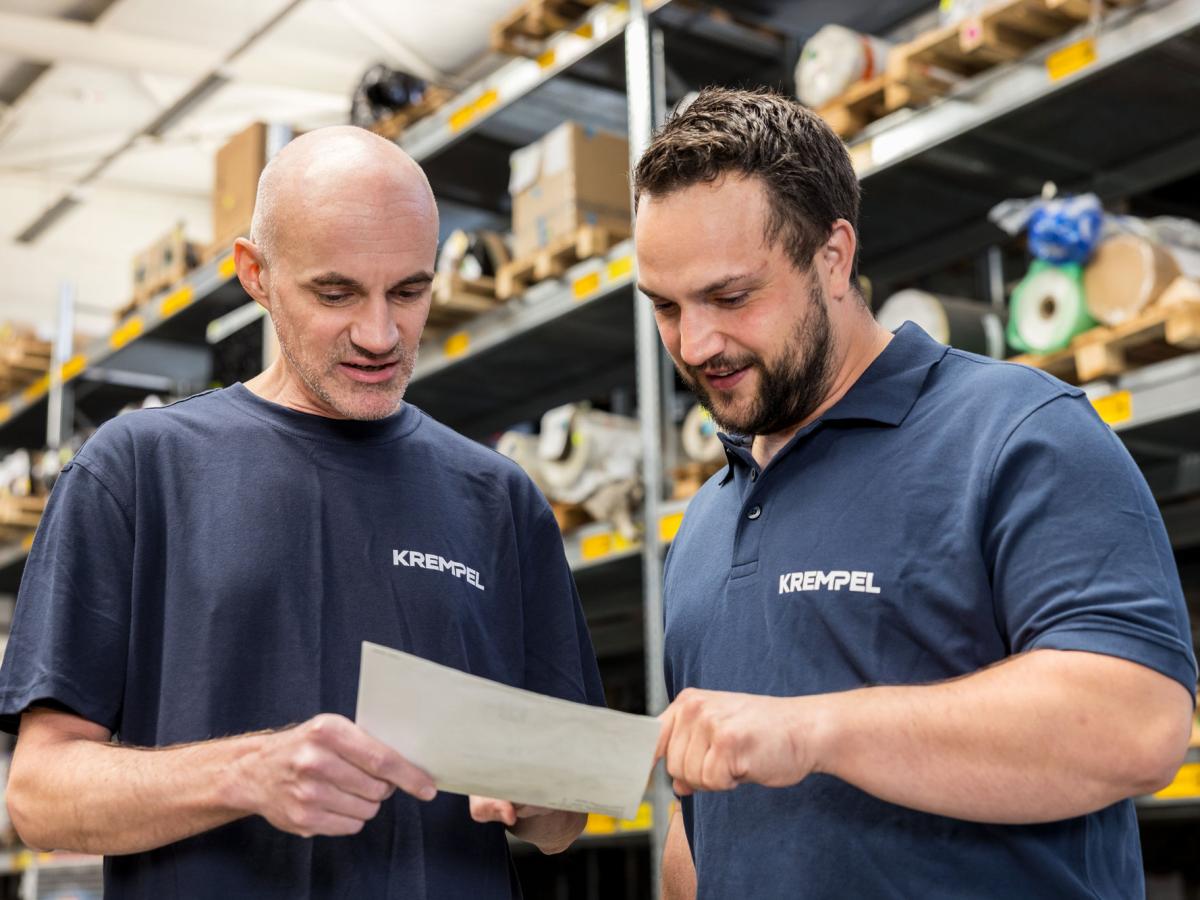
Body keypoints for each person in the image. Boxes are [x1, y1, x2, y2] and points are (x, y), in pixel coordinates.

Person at [0, 126, 604, 898]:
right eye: (335, 292)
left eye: (410, 291)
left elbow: (565, 817)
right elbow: (40, 797)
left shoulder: (497, 497)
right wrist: (247, 774)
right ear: (255, 272)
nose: (380, 335)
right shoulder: (139, 470)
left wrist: (542, 794)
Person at [634, 87, 1197, 899]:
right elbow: (705, 830)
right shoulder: (705, 525)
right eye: (665, 308)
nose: (695, 344)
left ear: (833, 256)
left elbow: (1137, 723)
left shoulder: (1017, 432)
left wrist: (812, 730)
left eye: (731, 297)